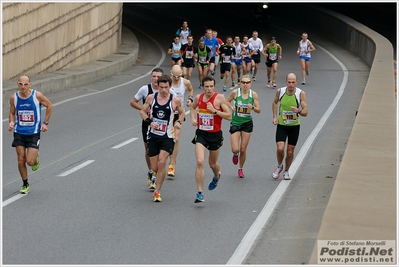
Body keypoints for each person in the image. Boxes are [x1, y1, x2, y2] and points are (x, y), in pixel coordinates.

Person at [140, 75, 185, 202]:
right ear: (157, 87)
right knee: (154, 167)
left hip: (167, 137)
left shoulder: (175, 100)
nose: (164, 90)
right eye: (161, 87)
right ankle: (153, 175)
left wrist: (179, 122)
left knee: (161, 163)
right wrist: (149, 121)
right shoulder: (151, 98)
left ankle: (157, 191)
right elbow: (142, 112)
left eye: (166, 87)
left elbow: (182, 113)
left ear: (170, 87)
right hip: (153, 135)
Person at [8, 75, 53, 194]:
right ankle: (25, 183)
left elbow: (49, 105)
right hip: (19, 132)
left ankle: (35, 157)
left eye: (25, 84)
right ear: (17, 84)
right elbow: (12, 112)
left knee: (30, 162)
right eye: (21, 84)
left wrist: (45, 123)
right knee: (20, 159)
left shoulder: (36, 95)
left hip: (33, 132)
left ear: (30, 84)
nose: (23, 87)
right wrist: (11, 122)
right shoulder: (14, 97)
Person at [190, 76, 231, 203]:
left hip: (215, 135)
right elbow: (192, 108)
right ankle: (200, 193)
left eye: (211, 86)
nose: (209, 89)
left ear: (214, 86)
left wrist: (215, 111)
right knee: (200, 162)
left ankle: (216, 175)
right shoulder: (198, 98)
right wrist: (193, 119)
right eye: (206, 86)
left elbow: (229, 116)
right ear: (203, 87)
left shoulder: (220, 98)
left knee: (212, 164)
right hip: (201, 133)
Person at [130, 68, 165, 190]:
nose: (156, 79)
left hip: (163, 125)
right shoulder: (145, 89)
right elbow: (133, 102)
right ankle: (151, 172)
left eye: (158, 77)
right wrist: (144, 109)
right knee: (149, 149)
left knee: (161, 151)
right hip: (148, 123)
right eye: (154, 76)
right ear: (151, 77)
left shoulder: (166, 90)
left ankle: (157, 172)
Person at [271, 73, 308, 180]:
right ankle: (279, 166)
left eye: (293, 82)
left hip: (294, 126)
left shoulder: (301, 93)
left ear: (296, 82)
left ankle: (286, 170)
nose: (291, 85)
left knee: (290, 151)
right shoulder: (280, 91)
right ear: (286, 81)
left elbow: (306, 112)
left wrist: (299, 111)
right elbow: (274, 103)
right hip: (282, 125)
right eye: (289, 82)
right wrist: (274, 116)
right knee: (280, 148)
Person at [226, 75, 260, 178]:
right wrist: (231, 107)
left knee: (243, 149)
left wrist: (253, 107)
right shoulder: (235, 93)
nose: (245, 85)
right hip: (236, 122)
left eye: (247, 82)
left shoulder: (253, 95)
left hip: (247, 123)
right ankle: (235, 155)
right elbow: (227, 101)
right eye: (243, 82)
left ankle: (240, 169)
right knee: (235, 149)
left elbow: (259, 110)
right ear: (240, 83)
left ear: (250, 84)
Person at [168, 65, 194, 177]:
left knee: (176, 139)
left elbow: (191, 90)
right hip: (167, 115)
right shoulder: (167, 83)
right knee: (168, 139)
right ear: (170, 73)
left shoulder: (185, 82)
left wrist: (190, 99)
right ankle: (171, 158)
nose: (176, 78)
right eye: (174, 76)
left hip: (179, 114)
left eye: (179, 76)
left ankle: (171, 164)